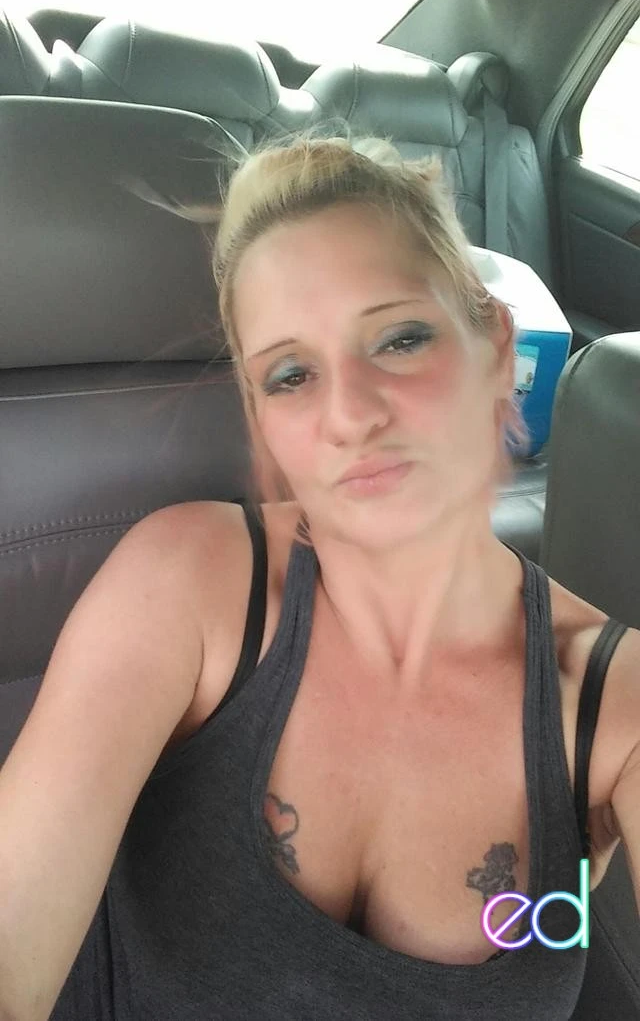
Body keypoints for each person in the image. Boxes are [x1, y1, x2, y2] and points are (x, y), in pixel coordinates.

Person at [0, 135, 638, 1021]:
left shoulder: (614, 704)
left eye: (401, 339)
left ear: (497, 345)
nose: (350, 414)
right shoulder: (184, 586)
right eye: (292, 375)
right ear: (259, 418)